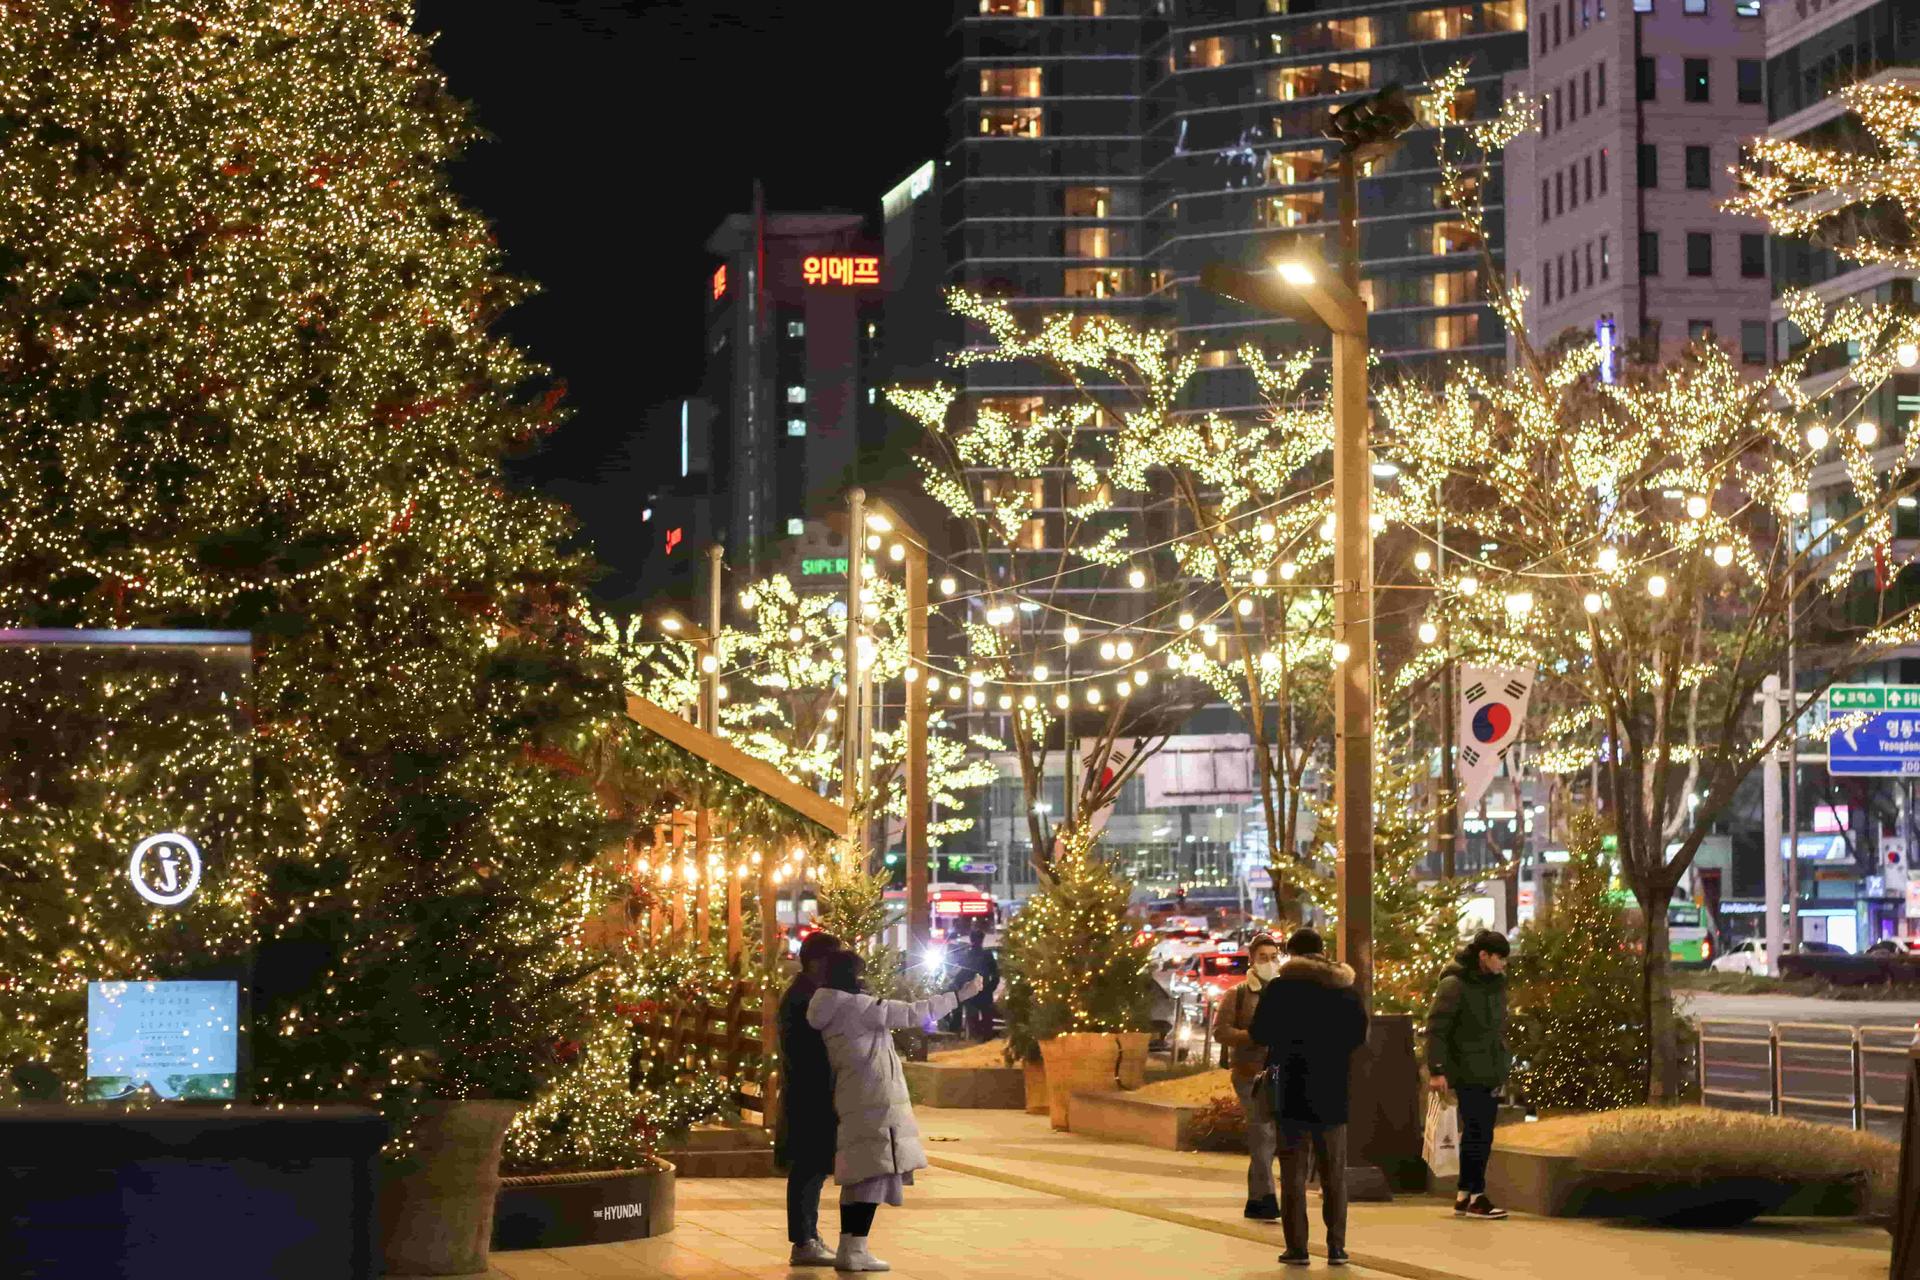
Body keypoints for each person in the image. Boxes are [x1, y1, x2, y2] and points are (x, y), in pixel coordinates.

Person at [808, 949, 983, 1272]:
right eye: (860, 974)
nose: (865, 980)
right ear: (850, 976)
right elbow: (916, 1013)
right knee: (874, 1171)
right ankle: (855, 1248)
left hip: (854, 1093)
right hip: (876, 1098)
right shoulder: (858, 1007)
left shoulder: (829, 1006)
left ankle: (851, 1246)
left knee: (859, 1174)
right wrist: (960, 995)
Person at [1251, 926, 1368, 1268]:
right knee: (1334, 1174)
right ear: (1321, 951)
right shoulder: (1344, 990)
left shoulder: (1281, 989)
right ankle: (1336, 1247)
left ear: (1292, 953)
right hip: (1332, 1091)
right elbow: (1359, 1034)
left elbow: (1260, 1032)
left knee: (1293, 1173)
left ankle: (1298, 1248)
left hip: (1291, 1090)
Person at [1424, 928, 1512, 1220]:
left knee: (1480, 1131)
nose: (1503, 964)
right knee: (1478, 1131)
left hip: (1489, 1066)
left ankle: (1465, 1193)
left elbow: (1495, 1026)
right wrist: (1437, 1070)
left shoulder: (1496, 983)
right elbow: (1437, 1029)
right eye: (1500, 958)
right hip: (1466, 1067)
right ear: (1483, 956)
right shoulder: (1455, 984)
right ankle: (1477, 1196)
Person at [777, 930, 843, 1266]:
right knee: (808, 1167)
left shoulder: (807, 992)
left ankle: (809, 1235)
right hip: (808, 1093)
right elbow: (808, 1049)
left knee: (814, 1167)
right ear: (817, 962)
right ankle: (803, 1240)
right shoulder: (803, 997)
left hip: (810, 1092)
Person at [1212, 932, 1281, 1222]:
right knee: (1262, 1133)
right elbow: (1220, 1031)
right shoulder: (1238, 994)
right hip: (1249, 1074)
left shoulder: (1283, 991)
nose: (1269, 962)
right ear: (1252, 960)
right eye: (1263, 957)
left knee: (1267, 1137)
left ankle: (1255, 1200)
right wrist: (1252, 1036)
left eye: (1274, 957)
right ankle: (1267, 1199)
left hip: (1279, 1073)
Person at [952, 929, 1000, 1041]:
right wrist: (991, 987)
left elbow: (961, 974)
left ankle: (978, 1039)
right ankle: (981, 1040)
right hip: (980, 991)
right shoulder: (982, 956)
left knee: (977, 1019)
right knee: (980, 1019)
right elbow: (995, 974)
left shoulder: (970, 956)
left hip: (977, 991)